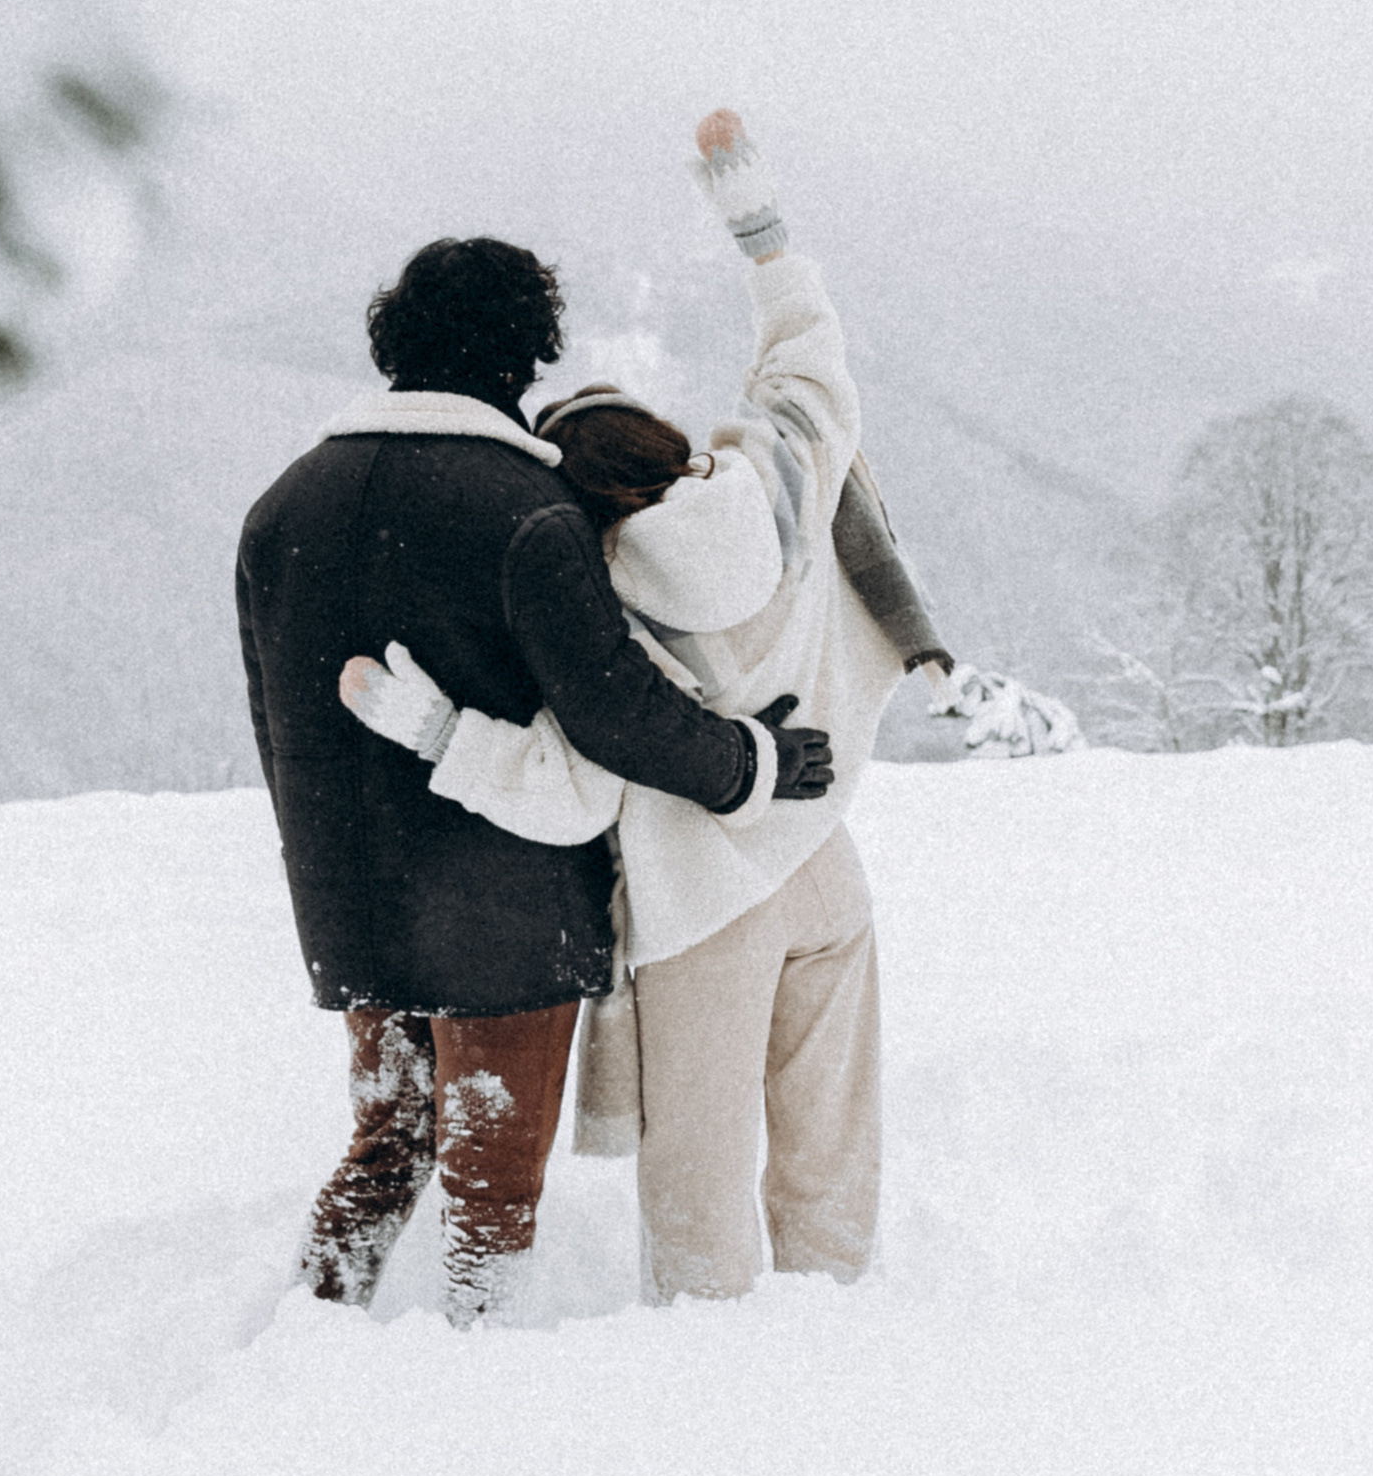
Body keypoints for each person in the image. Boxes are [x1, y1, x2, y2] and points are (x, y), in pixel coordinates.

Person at [343, 116, 950, 1302]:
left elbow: (571, 790)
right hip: (823, 862)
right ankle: (835, 1312)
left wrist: (435, 731)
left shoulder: (592, 601)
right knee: (830, 1127)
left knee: (698, 1170)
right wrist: (759, 230)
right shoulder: (775, 487)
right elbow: (811, 368)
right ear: (669, 447)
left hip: (701, 901)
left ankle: (707, 1351)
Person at [236, 231, 834, 1322]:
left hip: (349, 903)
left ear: (393, 344)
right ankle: (476, 1364)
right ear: (526, 352)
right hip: (501, 914)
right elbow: (616, 710)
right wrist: (752, 762)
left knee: (387, 1141)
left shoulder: (282, 509)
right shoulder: (524, 508)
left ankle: (304, 1340)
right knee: (492, 1179)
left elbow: (275, 725)